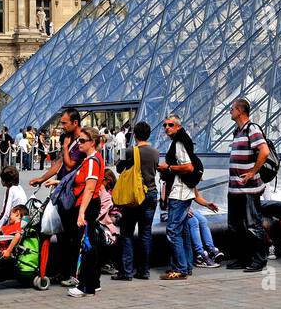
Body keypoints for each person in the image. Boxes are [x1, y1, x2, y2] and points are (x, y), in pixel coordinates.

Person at [31, 108, 85, 285]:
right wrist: (41, 178)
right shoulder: (71, 141)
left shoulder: (81, 142)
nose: (61, 127)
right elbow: (58, 165)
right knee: (62, 236)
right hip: (62, 194)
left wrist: (64, 147)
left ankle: (72, 274)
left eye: (64, 123)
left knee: (72, 237)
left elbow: (69, 166)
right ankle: (63, 272)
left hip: (74, 196)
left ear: (75, 123)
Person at [224, 97, 269, 273]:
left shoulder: (253, 129)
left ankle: (259, 260)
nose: (230, 111)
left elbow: (264, 151)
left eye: (232, 108)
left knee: (252, 224)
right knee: (235, 227)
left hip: (248, 189)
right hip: (235, 188)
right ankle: (243, 258)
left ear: (240, 111)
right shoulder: (238, 131)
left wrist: (252, 172)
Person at [114, 120, 159, 281]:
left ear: (134, 135)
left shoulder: (129, 151)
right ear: (148, 134)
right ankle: (144, 271)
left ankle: (126, 271)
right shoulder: (155, 152)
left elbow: (118, 168)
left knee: (126, 233)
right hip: (151, 193)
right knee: (145, 234)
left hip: (135, 195)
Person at [158, 114, 200, 280]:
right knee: (182, 231)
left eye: (170, 125)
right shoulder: (182, 139)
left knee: (172, 230)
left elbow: (188, 167)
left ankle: (181, 269)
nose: (167, 128)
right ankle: (185, 266)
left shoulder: (179, 142)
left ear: (178, 126)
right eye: (165, 125)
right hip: (186, 191)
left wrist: (168, 168)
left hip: (180, 192)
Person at [68, 126, 107, 298]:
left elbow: (89, 189)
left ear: (92, 142)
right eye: (78, 140)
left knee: (87, 244)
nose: (78, 144)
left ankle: (85, 286)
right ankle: (94, 282)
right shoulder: (95, 158)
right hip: (92, 204)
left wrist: (81, 212)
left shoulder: (91, 161)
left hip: (88, 205)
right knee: (92, 243)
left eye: (82, 141)